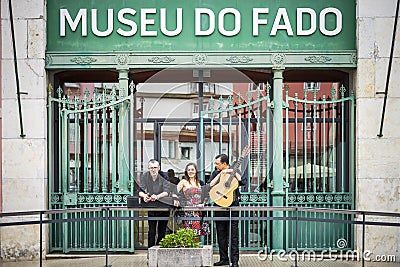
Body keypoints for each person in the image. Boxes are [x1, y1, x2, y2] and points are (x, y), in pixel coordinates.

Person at [207, 154, 247, 267]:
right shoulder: (216, 172)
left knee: (233, 235)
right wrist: (220, 174)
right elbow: (209, 184)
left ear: (224, 164)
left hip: (233, 206)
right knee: (221, 234)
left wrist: (230, 172)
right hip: (219, 206)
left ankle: (234, 261)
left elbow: (243, 182)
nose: (216, 165)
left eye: (217, 164)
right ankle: (224, 258)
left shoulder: (235, 171)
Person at [138, 159, 170, 248]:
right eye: (151, 168)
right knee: (151, 231)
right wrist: (144, 196)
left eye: (155, 167)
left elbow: (167, 191)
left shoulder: (164, 175)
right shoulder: (145, 176)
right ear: (148, 168)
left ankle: (160, 251)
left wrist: (157, 196)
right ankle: (150, 251)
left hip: (163, 205)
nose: (153, 170)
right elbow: (140, 190)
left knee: (162, 230)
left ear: (159, 168)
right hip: (152, 206)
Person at [174, 163, 210, 236]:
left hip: (198, 211)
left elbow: (206, 195)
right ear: (186, 172)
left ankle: (196, 247)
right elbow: (174, 191)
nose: (190, 171)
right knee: (189, 234)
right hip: (188, 211)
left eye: (192, 169)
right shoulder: (183, 182)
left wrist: (203, 203)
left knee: (197, 233)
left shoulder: (200, 182)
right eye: (188, 170)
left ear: (196, 171)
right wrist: (175, 199)